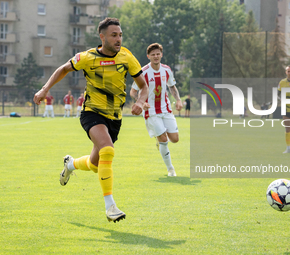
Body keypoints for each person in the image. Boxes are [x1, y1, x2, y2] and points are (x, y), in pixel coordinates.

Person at [33, 17, 148, 223]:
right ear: (102, 37)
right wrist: (45, 89)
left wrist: (140, 101)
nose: (118, 39)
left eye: (120, 35)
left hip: (114, 118)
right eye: (114, 35)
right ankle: (110, 206)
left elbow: (144, 85)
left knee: (96, 164)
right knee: (108, 150)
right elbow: (63, 69)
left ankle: (70, 165)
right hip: (92, 113)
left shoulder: (127, 57)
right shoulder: (87, 57)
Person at [130, 43, 183, 177]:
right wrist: (141, 103)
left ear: (161, 55)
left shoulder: (167, 70)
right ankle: (170, 169)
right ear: (148, 56)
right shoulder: (143, 72)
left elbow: (172, 87)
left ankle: (160, 144)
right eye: (153, 54)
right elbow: (132, 91)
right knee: (164, 139)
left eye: (158, 54)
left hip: (166, 109)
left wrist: (178, 100)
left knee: (175, 139)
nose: (156, 56)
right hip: (151, 111)